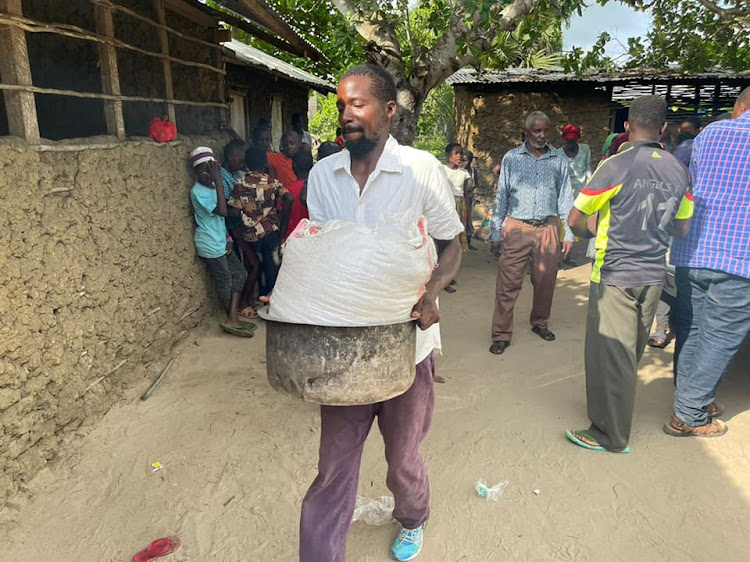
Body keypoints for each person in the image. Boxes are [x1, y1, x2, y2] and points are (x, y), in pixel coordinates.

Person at [299, 63, 463, 562]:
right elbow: (322, 251)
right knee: (333, 465)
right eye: (341, 105)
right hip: (343, 349)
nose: (346, 114)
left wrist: (432, 291)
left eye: (358, 104)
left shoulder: (420, 169)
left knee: (402, 457)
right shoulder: (322, 176)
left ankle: (413, 517)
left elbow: (452, 244)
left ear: (389, 110)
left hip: (407, 345)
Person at [564, 95, 693, 453]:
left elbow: (576, 219)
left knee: (610, 354)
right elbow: (682, 227)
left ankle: (610, 434)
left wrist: (591, 228)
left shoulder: (615, 165)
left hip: (615, 275)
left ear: (627, 126)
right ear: (663, 128)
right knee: (629, 351)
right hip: (653, 275)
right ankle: (610, 413)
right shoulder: (677, 169)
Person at [665, 87, 750, 438]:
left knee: (693, 329)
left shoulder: (711, 133)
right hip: (739, 255)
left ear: (739, 107)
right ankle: (688, 414)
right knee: (720, 337)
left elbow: (694, 179)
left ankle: (691, 396)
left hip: (693, 248)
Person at [488, 111, 575, 355]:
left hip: (548, 227)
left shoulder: (558, 160)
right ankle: (501, 334)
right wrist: (496, 231)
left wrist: (568, 233)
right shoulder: (512, 158)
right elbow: (502, 196)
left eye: (546, 130)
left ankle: (540, 323)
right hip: (517, 227)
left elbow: (566, 198)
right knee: (508, 283)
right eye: (536, 130)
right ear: (525, 132)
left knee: (546, 281)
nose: (542, 135)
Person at [188, 147, 254, 337]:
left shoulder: (210, 188)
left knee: (240, 274)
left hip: (221, 239)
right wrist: (218, 181)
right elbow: (223, 211)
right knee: (225, 279)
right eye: (203, 171)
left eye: (211, 170)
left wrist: (228, 238)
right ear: (196, 173)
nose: (207, 175)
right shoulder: (197, 192)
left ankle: (232, 316)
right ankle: (231, 318)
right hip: (208, 243)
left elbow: (221, 219)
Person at [229, 148, 292, 297]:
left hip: (250, 235)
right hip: (271, 231)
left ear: (246, 163)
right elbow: (289, 198)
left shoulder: (240, 184)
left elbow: (235, 211)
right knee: (272, 266)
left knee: (256, 266)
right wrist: (281, 218)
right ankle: (273, 297)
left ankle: (258, 296)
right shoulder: (272, 182)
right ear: (265, 164)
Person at [221, 140, 260, 318]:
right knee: (252, 264)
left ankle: (247, 300)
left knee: (249, 264)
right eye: (240, 159)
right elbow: (230, 210)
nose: (243, 163)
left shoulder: (234, 174)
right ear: (231, 157)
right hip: (234, 229)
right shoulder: (221, 178)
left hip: (241, 227)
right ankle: (243, 303)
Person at [443, 142, 471, 257]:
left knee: (457, 234)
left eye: (461, 153)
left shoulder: (464, 173)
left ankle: (453, 259)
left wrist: (469, 220)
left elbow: (465, 195)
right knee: (444, 232)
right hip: (445, 205)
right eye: (456, 153)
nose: (459, 156)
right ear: (448, 155)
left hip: (460, 207)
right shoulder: (442, 170)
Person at [285, 150, 313, 239]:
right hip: (313, 233)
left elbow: (285, 216)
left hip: (294, 235)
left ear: (293, 166)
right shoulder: (317, 187)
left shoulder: (288, 190)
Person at [561, 124, 592, 196]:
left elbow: (588, 168)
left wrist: (589, 189)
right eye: (568, 141)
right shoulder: (559, 154)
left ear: (577, 139)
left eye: (573, 141)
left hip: (583, 191)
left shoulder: (585, 149)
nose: (571, 144)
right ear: (564, 139)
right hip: (566, 193)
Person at [462, 149, 479, 250]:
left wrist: (470, 189)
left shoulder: (473, 171)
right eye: (462, 160)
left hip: (468, 197)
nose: (463, 162)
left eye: (465, 160)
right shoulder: (458, 170)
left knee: (468, 219)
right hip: (459, 197)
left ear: (470, 161)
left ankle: (468, 242)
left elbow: (476, 183)